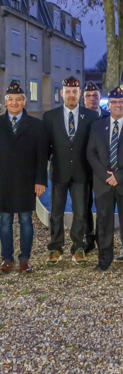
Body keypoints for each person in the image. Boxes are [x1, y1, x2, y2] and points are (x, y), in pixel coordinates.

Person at [87, 87, 123, 272]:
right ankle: (104, 259)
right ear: (108, 105)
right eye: (114, 102)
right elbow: (91, 153)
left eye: (121, 102)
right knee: (103, 222)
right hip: (103, 183)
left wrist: (118, 176)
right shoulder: (97, 126)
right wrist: (106, 176)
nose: (118, 105)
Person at [43, 76, 97, 265]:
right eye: (68, 91)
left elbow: (93, 146)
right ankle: (55, 247)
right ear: (62, 93)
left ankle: (78, 247)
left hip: (82, 172)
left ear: (80, 94)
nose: (71, 95)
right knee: (56, 212)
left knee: (80, 212)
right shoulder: (50, 117)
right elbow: (45, 148)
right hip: (59, 172)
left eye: (75, 91)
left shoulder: (91, 116)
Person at [0, 81, 47, 274]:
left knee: (26, 220)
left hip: (27, 180)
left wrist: (41, 180)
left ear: (24, 101)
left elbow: (42, 156)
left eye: (18, 99)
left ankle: (24, 259)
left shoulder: (36, 125)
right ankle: (7, 258)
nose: (14, 103)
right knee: (5, 220)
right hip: (3, 180)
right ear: (5, 101)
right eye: (11, 99)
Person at [82, 81, 110, 254]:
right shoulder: (78, 117)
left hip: (103, 169)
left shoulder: (108, 116)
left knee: (102, 205)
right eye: (88, 96)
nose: (92, 99)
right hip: (83, 168)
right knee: (85, 205)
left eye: (95, 95)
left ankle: (102, 238)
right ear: (83, 98)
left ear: (100, 97)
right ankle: (88, 237)